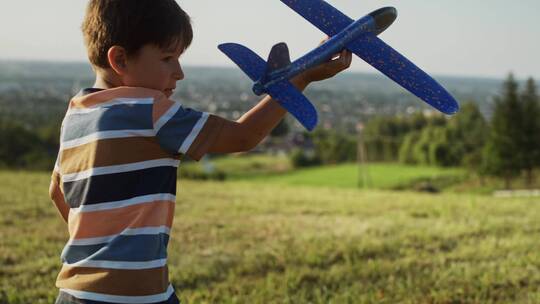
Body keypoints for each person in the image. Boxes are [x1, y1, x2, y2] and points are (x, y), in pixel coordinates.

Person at [49, 0, 352, 303]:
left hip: (74, 291)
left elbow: (57, 192)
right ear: (121, 60)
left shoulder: (75, 114)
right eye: (168, 58)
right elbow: (243, 137)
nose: (179, 73)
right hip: (135, 294)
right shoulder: (150, 111)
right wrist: (301, 78)